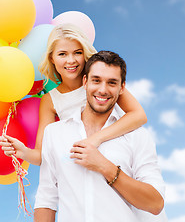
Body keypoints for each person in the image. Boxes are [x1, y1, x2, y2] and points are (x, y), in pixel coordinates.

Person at [34, 50, 167, 221]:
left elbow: (155, 204)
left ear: (122, 88)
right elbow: (46, 198)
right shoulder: (55, 133)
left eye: (112, 83)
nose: (102, 90)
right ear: (85, 82)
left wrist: (106, 167)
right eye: (96, 80)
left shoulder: (138, 137)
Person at [0, 24, 147, 166]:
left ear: (85, 53)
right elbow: (42, 156)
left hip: (122, 157)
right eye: (62, 54)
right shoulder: (50, 100)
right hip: (85, 166)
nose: (71, 60)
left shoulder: (100, 78)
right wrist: (23, 152)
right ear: (52, 58)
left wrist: (97, 139)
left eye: (78, 52)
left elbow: (139, 116)